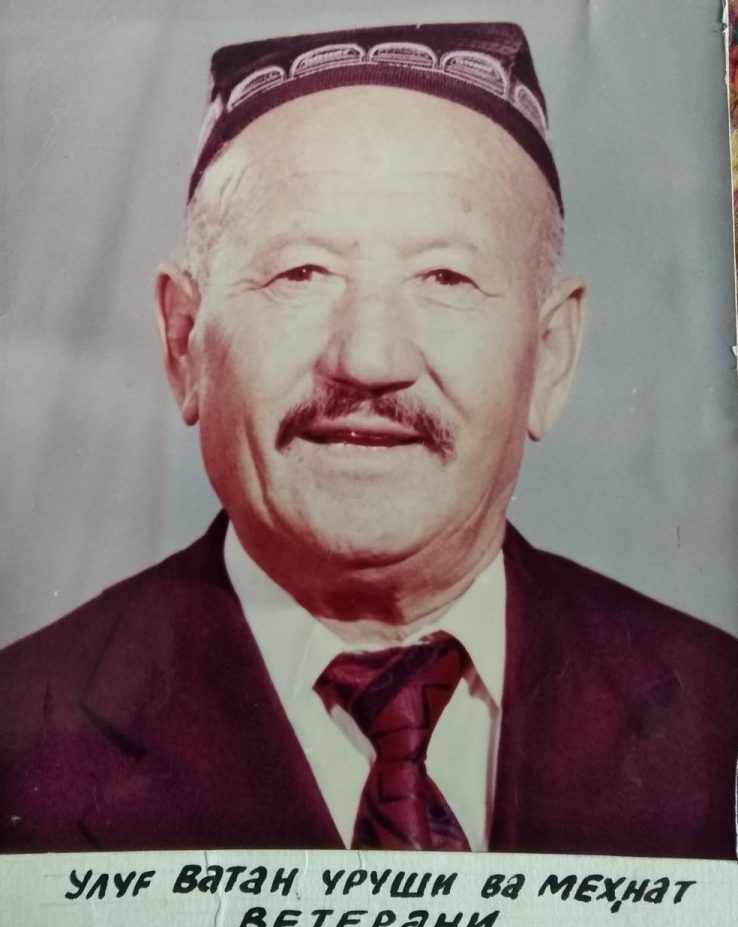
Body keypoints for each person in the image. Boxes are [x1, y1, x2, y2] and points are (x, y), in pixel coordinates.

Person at [1, 22, 736, 857]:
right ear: (184, 343)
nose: (369, 359)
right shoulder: (22, 741)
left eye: (445, 277)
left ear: (551, 356)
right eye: (301, 273)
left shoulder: (718, 715)